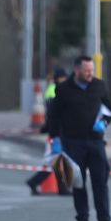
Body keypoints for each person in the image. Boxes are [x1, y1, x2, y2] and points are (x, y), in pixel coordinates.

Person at [47, 55, 111, 221]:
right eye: (86, 71)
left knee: (100, 182)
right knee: (78, 182)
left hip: (96, 142)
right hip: (73, 142)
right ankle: (82, 220)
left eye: (92, 70)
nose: (90, 74)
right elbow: (54, 116)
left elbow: (109, 109)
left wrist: (104, 122)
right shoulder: (63, 90)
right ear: (76, 70)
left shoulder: (98, 86)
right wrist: (56, 139)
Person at [26, 67, 71, 195]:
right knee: (55, 162)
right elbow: (54, 114)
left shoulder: (59, 90)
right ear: (58, 78)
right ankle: (35, 182)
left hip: (58, 131)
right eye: (63, 77)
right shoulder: (56, 91)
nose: (65, 80)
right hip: (57, 133)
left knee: (56, 162)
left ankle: (60, 188)